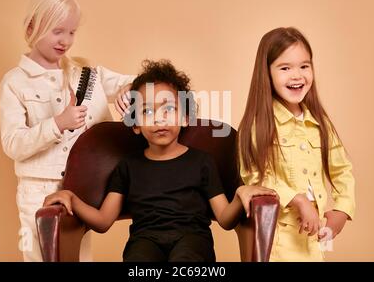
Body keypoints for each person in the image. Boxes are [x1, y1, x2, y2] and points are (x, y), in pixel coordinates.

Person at [44, 59, 277, 261]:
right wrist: (72, 199)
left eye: (169, 109)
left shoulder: (202, 162)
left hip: (193, 242)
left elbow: (226, 219)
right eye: (147, 112)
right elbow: (103, 221)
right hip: (145, 242)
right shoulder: (128, 166)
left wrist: (241, 194)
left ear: (185, 117)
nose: (159, 119)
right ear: (135, 125)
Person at [0, 0, 134, 262]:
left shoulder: (86, 73)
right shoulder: (14, 82)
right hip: (38, 190)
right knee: (41, 257)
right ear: (31, 28)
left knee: (79, 257)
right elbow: (13, 144)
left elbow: (138, 84)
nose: (66, 40)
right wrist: (57, 124)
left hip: (82, 187)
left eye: (71, 32)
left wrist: (129, 88)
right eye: (57, 31)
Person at [237, 27, 355, 261]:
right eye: (285, 68)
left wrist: (342, 210)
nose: (297, 76)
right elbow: (255, 177)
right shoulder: (258, 125)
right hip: (278, 243)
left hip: (313, 241)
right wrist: (297, 199)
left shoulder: (320, 123)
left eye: (304, 66)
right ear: (267, 73)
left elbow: (342, 169)